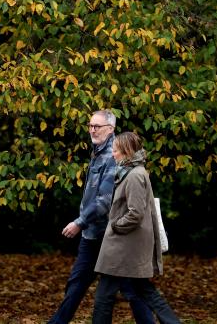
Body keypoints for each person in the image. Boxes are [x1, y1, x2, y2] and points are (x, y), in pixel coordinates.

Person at [47, 110, 155, 324]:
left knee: (130, 289)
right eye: (90, 126)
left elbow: (105, 201)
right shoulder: (98, 152)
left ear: (111, 129)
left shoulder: (113, 156)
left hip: (110, 236)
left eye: (97, 126)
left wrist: (79, 222)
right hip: (93, 233)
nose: (92, 130)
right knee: (77, 284)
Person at [92, 131, 181, 324]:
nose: (113, 154)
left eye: (116, 150)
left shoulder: (134, 175)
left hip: (124, 246)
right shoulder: (131, 172)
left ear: (126, 151)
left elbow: (136, 213)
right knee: (143, 291)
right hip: (127, 246)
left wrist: (115, 225)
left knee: (104, 296)